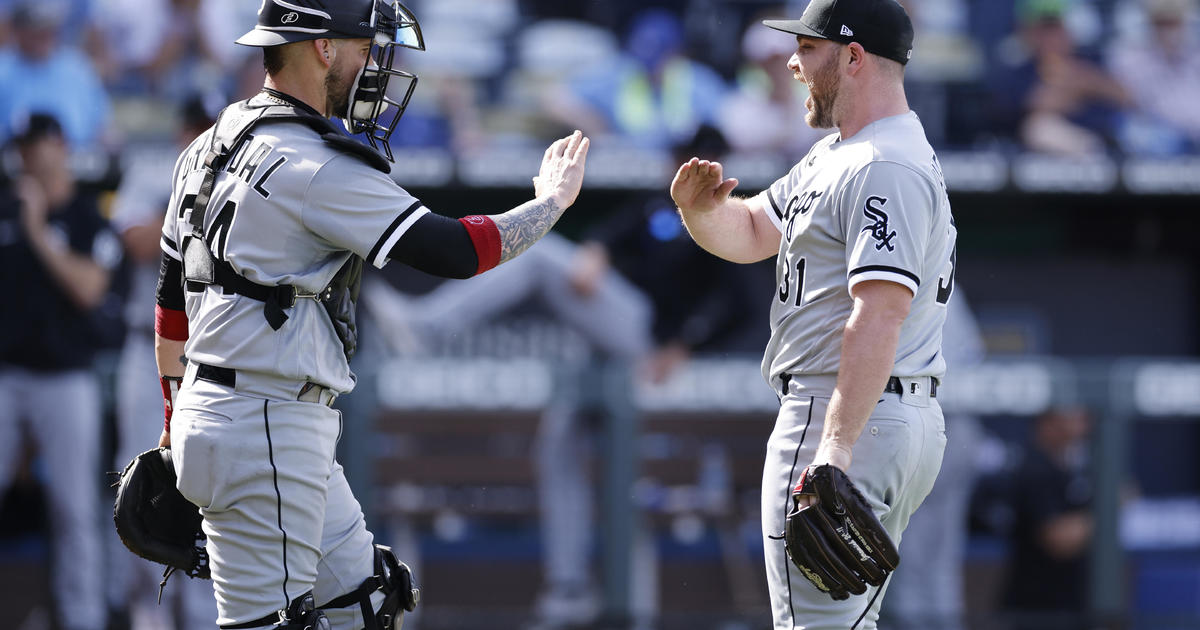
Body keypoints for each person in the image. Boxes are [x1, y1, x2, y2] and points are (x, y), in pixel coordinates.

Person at [152, 1, 590, 628]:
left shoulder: (206, 146)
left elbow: (171, 309)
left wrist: (174, 424)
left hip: (237, 415)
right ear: (324, 47)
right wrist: (550, 204)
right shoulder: (315, 163)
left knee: (367, 602)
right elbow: (455, 250)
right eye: (364, 48)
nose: (374, 67)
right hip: (263, 425)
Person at [668, 0, 957, 627]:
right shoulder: (840, 153)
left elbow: (880, 314)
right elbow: (748, 231)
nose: (794, 64)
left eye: (808, 48)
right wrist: (697, 211)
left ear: (853, 57)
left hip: (844, 414)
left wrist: (834, 449)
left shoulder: (884, 164)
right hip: (878, 415)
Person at [0, 113, 124, 630]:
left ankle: (84, 618)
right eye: (23, 146)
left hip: (66, 378)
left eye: (40, 143)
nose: (31, 155)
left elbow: (89, 289)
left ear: (60, 146)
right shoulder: (6, 209)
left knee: (75, 508)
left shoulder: (85, 216)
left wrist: (36, 232)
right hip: (7, 376)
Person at [106, 95, 220, 630]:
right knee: (145, 478)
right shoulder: (156, 169)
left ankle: (201, 613)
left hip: (210, 357)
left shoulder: (232, 172)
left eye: (206, 125)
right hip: (145, 348)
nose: (197, 134)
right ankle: (143, 610)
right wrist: (188, 207)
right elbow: (131, 239)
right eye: (192, 125)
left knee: (206, 484)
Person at [880, 289, 987, 630]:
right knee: (937, 563)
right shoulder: (947, 281)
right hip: (954, 428)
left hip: (923, 428)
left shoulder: (903, 271)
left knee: (910, 561)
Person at [1002, 406, 1094, 630]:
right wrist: (1108, 512)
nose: (1082, 424)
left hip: (1071, 607)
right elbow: (1058, 539)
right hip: (1038, 611)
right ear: (1048, 423)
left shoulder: (1075, 466)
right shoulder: (1033, 467)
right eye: (1073, 416)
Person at [0, 0, 111, 147]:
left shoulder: (77, 66)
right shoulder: (4, 68)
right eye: (36, 31)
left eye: (49, 30)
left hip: (78, 158)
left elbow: (103, 125)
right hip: (15, 158)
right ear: (18, 31)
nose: (44, 37)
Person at [1107, 0, 1200, 154]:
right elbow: (1140, 102)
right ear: (1150, 22)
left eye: (1173, 23)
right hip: (1155, 135)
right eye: (1162, 23)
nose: (1168, 30)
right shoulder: (1129, 55)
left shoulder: (1195, 55)